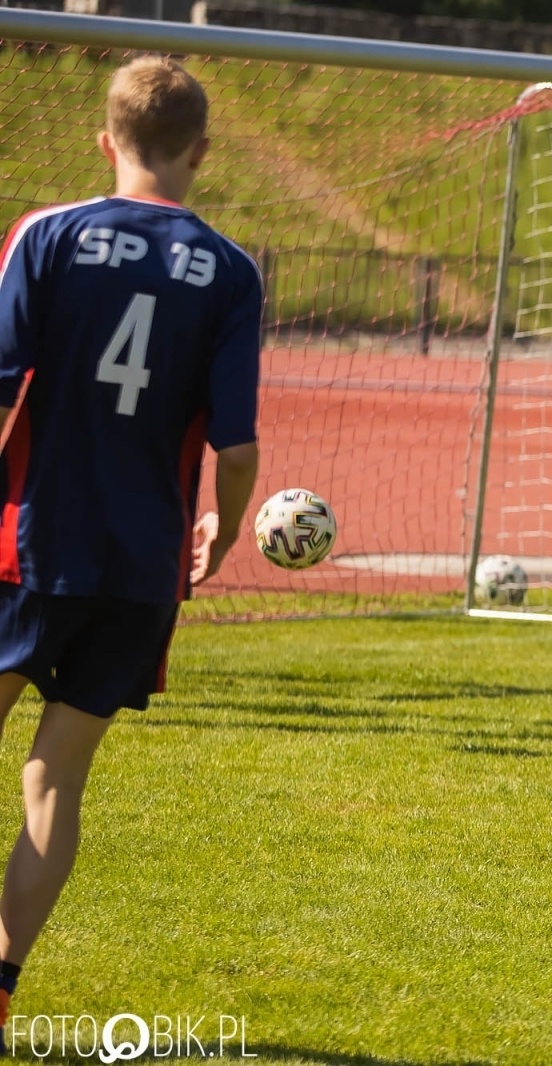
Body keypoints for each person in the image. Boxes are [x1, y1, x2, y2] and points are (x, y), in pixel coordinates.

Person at [0, 57, 262, 1025]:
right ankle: (1, 982)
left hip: (26, 544)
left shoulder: (48, 235)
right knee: (55, 778)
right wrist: (224, 533)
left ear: (104, 141)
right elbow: (236, 448)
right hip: (142, 563)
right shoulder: (231, 271)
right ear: (200, 149)